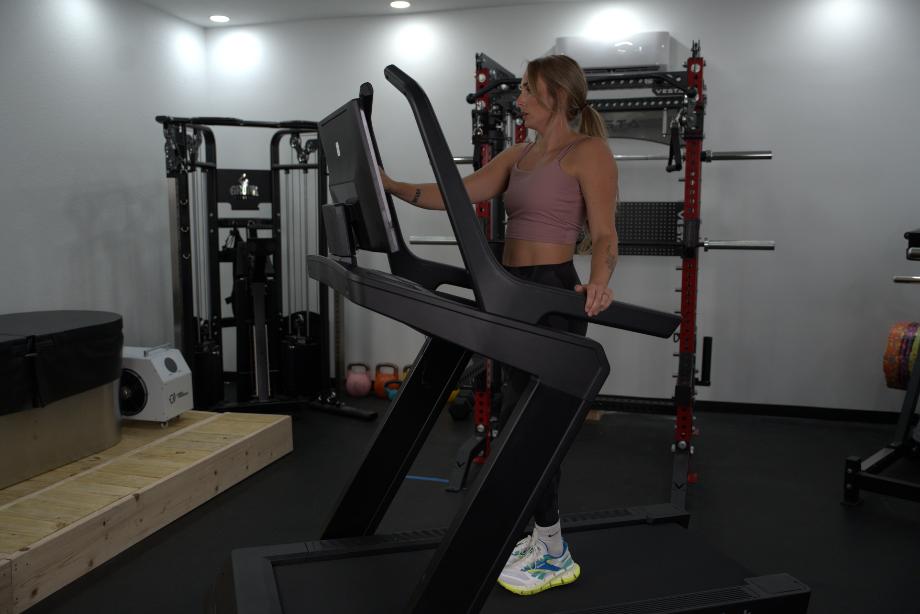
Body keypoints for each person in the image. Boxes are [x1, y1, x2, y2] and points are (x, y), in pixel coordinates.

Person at [381, 54, 619, 596]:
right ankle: (541, 534)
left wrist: (601, 280)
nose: (520, 101)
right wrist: (391, 185)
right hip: (510, 292)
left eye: (530, 92)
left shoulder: (589, 153)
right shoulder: (518, 155)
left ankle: (554, 549)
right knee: (517, 423)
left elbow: (605, 234)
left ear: (557, 96)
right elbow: (455, 194)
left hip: (552, 292)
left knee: (533, 423)